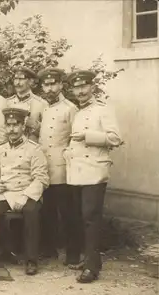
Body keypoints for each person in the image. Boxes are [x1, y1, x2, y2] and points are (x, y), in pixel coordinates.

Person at [64, 70, 123, 283]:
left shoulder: (103, 109)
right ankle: (88, 259)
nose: (80, 91)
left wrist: (88, 136)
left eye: (84, 86)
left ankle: (92, 268)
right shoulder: (76, 112)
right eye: (76, 87)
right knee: (80, 218)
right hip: (76, 171)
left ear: (91, 87)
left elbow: (115, 138)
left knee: (91, 218)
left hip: (94, 171)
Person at [0, 107, 49, 275]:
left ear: (23, 126)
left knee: (31, 211)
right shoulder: (0, 149)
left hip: (27, 192)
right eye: (8, 125)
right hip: (5, 192)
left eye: (16, 125)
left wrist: (25, 196)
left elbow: (42, 178)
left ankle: (31, 260)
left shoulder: (34, 149)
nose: (12, 129)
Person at [37, 67, 78, 260]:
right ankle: (49, 249)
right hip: (45, 167)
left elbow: (75, 139)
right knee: (48, 210)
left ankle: (73, 252)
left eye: (53, 84)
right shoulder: (45, 108)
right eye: (46, 84)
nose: (50, 88)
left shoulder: (70, 108)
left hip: (62, 168)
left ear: (61, 85)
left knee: (67, 211)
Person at [6, 66, 48, 143]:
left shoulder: (41, 104)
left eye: (21, 79)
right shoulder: (7, 103)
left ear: (31, 82)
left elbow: (49, 133)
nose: (17, 83)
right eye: (16, 79)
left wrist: (34, 125)